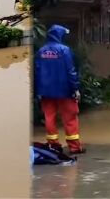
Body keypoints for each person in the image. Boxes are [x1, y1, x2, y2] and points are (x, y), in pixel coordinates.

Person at [34, 24, 84, 154]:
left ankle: (54, 146)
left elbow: (37, 72)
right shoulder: (64, 50)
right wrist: (75, 89)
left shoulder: (41, 51)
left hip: (46, 91)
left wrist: (38, 91)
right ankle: (74, 147)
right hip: (65, 91)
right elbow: (70, 71)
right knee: (70, 118)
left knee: (49, 118)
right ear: (59, 35)